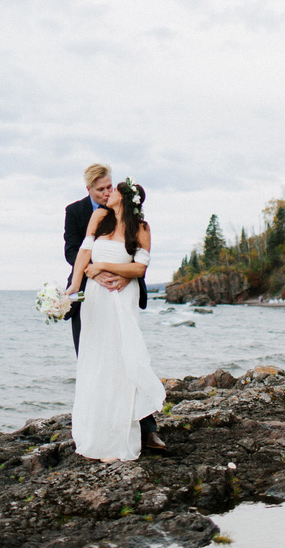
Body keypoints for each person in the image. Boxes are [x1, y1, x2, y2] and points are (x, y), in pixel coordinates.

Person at [64, 164, 165, 452]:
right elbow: (76, 250)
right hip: (92, 292)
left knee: (126, 357)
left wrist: (114, 270)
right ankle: (97, 426)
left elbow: (140, 265)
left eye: (112, 187)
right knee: (93, 359)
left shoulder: (139, 227)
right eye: (102, 189)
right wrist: (80, 281)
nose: (108, 192)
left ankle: (144, 430)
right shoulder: (86, 214)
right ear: (90, 190)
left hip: (123, 294)